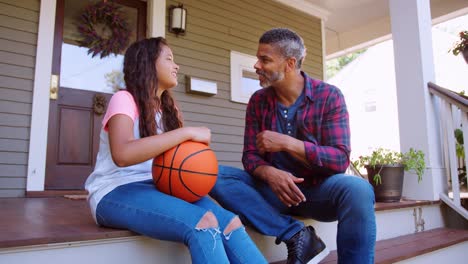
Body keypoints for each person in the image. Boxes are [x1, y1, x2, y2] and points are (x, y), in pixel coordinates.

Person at [85, 37, 267, 264]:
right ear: (148, 63)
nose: (176, 66)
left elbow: (180, 161)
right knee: (203, 223)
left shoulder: (169, 111)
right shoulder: (125, 99)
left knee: (230, 222)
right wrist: (186, 133)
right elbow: (122, 155)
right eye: (169, 59)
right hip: (115, 191)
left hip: (159, 186)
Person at [210, 28, 376, 264]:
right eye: (258, 58)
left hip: (318, 192)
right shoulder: (258, 101)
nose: (257, 65)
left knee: (358, 189)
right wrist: (269, 173)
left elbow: (339, 159)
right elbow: (250, 157)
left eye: (265, 59)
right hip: (271, 193)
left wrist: (288, 143)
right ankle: (296, 235)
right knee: (213, 174)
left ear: (289, 63)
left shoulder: (329, 96)